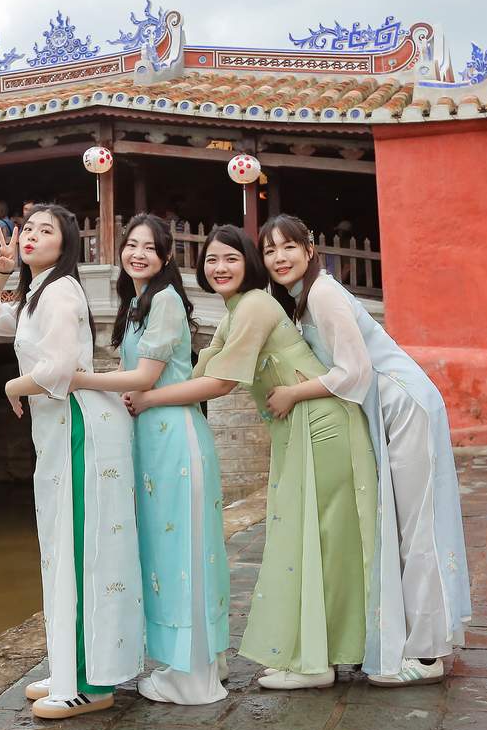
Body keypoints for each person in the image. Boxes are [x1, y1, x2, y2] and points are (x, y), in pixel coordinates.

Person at [127, 224, 378, 690]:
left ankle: (315, 663)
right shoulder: (235, 311)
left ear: (250, 264)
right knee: (306, 537)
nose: (220, 268)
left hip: (319, 423)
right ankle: (316, 655)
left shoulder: (256, 306)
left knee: (321, 539)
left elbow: (221, 384)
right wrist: (145, 384)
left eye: (232, 258)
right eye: (211, 259)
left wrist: (148, 400)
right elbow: (200, 370)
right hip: (298, 426)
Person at [259, 214, 470, 687]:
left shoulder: (323, 294)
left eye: (288, 247)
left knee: (416, 526)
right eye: (270, 251)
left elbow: (355, 371)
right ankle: (404, 639)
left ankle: (429, 653)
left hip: (403, 404)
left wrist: (293, 393)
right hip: (384, 411)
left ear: (310, 250)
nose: (280, 258)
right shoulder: (303, 300)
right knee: (396, 525)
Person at [0, 206, 143, 720]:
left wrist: (12, 385)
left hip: (78, 427)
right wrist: (1, 273)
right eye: (28, 229)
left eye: (47, 231)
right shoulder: (35, 294)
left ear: (65, 246)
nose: (32, 236)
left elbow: (61, 368)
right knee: (59, 550)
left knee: (81, 551)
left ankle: (91, 683)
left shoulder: (61, 291)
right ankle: (68, 665)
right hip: (56, 431)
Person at [70, 214, 231, 705]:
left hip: (175, 439)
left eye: (149, 248)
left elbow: (144, 378)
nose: (138, 254)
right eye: (131, 245)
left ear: (165, 258)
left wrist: (78, 379)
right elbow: (135, 378)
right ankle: (197, 661)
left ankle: (194, 677)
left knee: (183, 553)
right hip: (153, 442)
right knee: (168, 554)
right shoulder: (139, 302)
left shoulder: (164, 301)